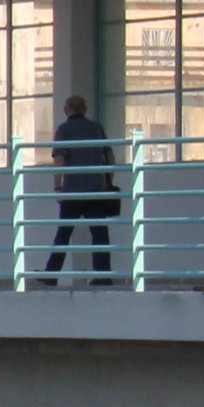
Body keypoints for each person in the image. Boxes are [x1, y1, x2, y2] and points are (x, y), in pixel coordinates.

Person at [43, 94, 119, 282]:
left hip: (73, 192)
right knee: (99, 234)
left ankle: (51, 275)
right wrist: (107, 181)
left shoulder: (64, 130)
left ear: (66, 110)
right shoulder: (96, 128)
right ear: (85, 109)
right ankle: (103, 276)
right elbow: (110, 156)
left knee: (64, 234)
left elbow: (59, 159)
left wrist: (57, 187)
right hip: (95, 190)